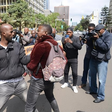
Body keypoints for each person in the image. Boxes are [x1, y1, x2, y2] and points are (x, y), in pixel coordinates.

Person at [25, 24, 60, 112]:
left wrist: (27, 68)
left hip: (38, 78)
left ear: (45, 32)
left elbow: (33, 63)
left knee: (29, 105)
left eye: (39, 30)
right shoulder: (55, 43)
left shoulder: (41, 45)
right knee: (51, 97)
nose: (37, 32)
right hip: (51, 77)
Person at [0, 23, 30, 111]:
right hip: (4, 86)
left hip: (20, 84)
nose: (13, 33)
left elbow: (24, 60)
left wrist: (34, 54)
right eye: (11, 31)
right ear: (3, 33)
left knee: (30, 105)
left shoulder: (17, 45)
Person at [86, 24, 112, 103]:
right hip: (93, 58)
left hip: (102, 60)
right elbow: (91, 45)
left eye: (97, 31)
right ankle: (93, 90)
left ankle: (101, 96)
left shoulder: (108, 35)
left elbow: (106, 47)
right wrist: (89, 39)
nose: (96, 32)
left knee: (101, 79)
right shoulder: (96, 34)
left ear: (102, 30)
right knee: (91, 76)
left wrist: (97, 39)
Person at [61, 27, 82, 93]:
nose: (68, 34)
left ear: (72, 32)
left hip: (74, 58)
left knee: (74, 73)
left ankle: (74, 86)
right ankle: (66, 82)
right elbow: (62, 47)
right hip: (66, 58)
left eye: (70, 32)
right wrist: (64, 42)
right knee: (66, 71)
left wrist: (71, 42)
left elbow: (79, 47)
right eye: (67, 32)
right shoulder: (63, 38)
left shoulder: (76, 38)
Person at [79, 23, 95, 88]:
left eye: (91, 30)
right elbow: (81, 43)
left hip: (94, 57)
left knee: (92, 72)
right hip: (87, 55)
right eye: (89, 29)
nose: (90, 31)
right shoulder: (87, 35)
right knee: (85, 70)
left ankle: (92, 86)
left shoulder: (96, 36)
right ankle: (83, 82)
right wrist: (81, 40)